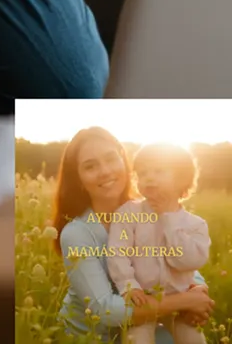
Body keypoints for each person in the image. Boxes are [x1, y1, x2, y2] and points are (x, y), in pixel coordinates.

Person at [53, 128, 214, 341]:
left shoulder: (151, 209)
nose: (105, 171)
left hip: (145, 320)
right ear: (79, 179)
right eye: (90, 166)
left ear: (124, 161)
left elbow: (172, 257)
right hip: (93, 336)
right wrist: (186, 301)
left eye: (111, 159)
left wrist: (198, 288)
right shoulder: (77, 234)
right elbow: (104, 310)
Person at [106, 143, 210, 344]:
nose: (149, 178)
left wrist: (168, 218)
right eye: (142, 173)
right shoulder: (128, 214)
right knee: (137, 339)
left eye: (159, 171)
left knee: (194, 339)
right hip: (143, 300)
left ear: (181, 179)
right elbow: (118, 253)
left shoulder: (195, 225)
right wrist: (129, 286)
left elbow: (188, 261)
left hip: (180, 304)